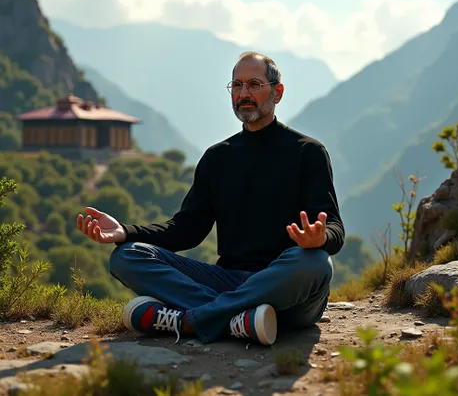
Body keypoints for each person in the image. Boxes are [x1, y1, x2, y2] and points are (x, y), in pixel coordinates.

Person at [77, 51, 345, 346]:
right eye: (237, 85)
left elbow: (334, 229)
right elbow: (186, 230)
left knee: (316, 262)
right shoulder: (217, 158)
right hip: (227, 280)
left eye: (254, 84)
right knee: (127, 256)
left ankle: (192, 320)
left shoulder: (307, 152)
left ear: (277, 93)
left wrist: (318, 239)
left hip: (286, 289)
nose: (244, 93)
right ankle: (238, 321)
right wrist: (125, 232)